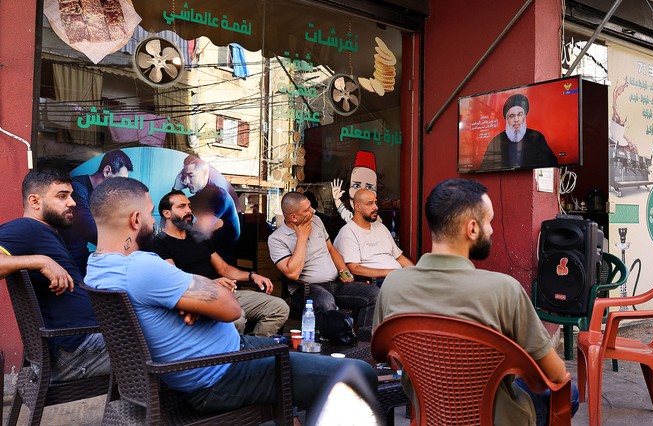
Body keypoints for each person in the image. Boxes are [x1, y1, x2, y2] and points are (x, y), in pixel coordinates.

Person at [84, 177, 377, 414]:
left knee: (297, 355)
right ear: (136, 219)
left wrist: (191, 298)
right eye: (149, 213)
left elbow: (203, 294)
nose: (151, 220)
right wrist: (203, 294)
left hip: (222, 353)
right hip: (218, 376)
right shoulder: (143, 266)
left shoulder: (96, 268)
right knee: (359, 373)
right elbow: (230, 309)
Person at [373, 178, 578, 426]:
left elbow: (384, 355)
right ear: (472, 229)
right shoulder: (505, 290)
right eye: (488, 222)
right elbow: (555, 374)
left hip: (431, 414)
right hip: (496, 419)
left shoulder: (393, 285)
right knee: (571, 393)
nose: (491, 230)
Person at [0, 169, 109, 382]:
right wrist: (40, 261)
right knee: (170, 344)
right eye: (62, 196)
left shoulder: (43, 233)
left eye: (70, 195)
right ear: (34, 201)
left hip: (79, 345)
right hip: (75, 352)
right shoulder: (26, 228)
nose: (72, 203)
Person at [153, 190, 289, 337]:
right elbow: (176, 280)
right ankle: (233, 352)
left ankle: (251, 349)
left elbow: (223, 268)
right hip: (196, 299)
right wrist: (211, 284)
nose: (188, 210)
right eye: (181, 207)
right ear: (166, 213)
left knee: (279, 307)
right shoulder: (160, 243)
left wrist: (252, 276)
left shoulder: (198, 238)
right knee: (237, 318)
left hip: (222, 293)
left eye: (189, 206)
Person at [268, 191, 379, 335]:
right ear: (293, 217)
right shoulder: (277, 239)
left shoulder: (316, 221)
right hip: (306, 290)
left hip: (335, 284)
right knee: (325, 300)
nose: (313, 210)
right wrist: (302, 237)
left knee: (374, 294)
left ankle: (364, 341)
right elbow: (292, 273)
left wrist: (344, 271)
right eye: (307, 209)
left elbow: (331, 249)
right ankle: (331, 346)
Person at [59, 149, 133, 275]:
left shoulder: (104, 195)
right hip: (65, 262)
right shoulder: (76, 188)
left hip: (82, 257)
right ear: (107, 171)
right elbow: (88, 227)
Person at [333, 189, 413, 287]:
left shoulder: (380, 227)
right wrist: (393, 273)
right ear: (357, 207)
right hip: (375, 283)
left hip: (397, 277)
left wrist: (416, 273)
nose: (375, 207)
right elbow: (354, 268)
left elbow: (399, 257)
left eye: (375, 202)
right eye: (370, 203)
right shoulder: (348, 232)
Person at [173, 155, 240, 264]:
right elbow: (169, 217)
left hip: (219, 268)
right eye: (184, 176)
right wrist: (176, 188)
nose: (185, 181)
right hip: (205, 263)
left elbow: (196, 232)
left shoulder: (218, 197)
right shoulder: (196, 198)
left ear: (205, 173)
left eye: (190, 175)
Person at [480, 94, 558, 170]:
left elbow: (551, 164)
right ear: (507, 119)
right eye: (512, 116)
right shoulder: (497, 141)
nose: (516, 119)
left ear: (525, 116)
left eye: (520, 114)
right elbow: (485, 168)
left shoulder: (536, 137)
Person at [331, 150, 378, 223]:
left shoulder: (379, 225)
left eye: (369, 187)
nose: (362, 193)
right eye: (356, 185)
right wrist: (337, 199)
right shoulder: (349, 227)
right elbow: (344, 212)